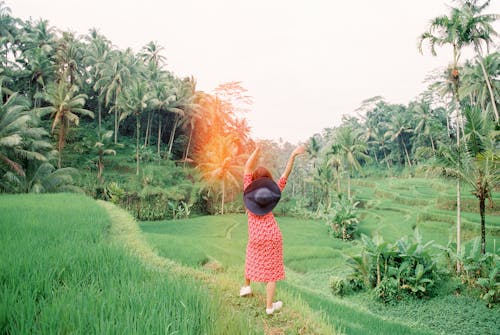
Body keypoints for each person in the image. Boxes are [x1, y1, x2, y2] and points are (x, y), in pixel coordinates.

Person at [240, 142, 305, 315]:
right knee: (272, 272)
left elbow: (247, 167)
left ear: (253, 180)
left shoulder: (248, 190)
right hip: (273, 235)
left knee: (250, 255)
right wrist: (293, 155)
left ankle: (246, 286)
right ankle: (269, 307)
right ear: (267, 181)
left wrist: (256, 150)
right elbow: (285, 175)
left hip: (256, 236)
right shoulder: (273, 192)